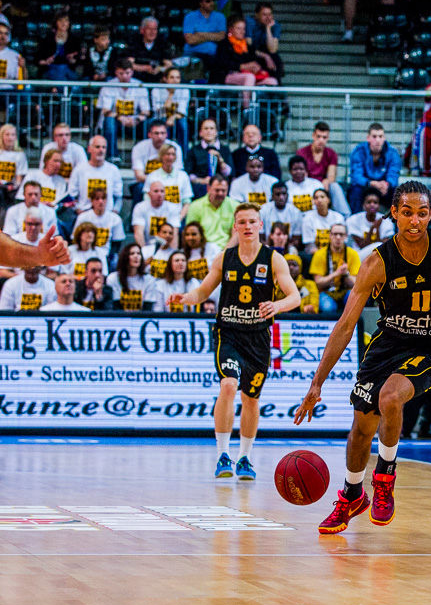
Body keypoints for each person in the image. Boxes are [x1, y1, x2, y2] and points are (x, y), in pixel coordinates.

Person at [295, 181, 431, 533]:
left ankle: (384, 479)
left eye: (423, 213)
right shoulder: (377, 262)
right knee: (361, 428)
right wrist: (317, 382)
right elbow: (344, 324)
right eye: (408, 213)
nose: (415, 221)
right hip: (388, 344)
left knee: (391, 397)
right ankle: (353, 493)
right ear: (394, 213)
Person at [174, 204, 300, 478]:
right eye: (241, 221)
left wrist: (277, 306)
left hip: (258, 336)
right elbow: (204, 290)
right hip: (228, 332)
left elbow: (295, 297)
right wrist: (186, 298)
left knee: (251, 397)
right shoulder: (224, 258)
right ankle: (222, 454)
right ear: (235, 227)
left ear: (260, 226)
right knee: (229, 385)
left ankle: (244, 457)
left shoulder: (274, 259)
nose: (246, 226)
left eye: (252, 221)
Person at [99, 58, 151, 162]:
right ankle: (112, 156)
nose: (124, 76)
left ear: (132, 72)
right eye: (121, 73)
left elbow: (146, 111)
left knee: (150, 123)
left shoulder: (139, 85)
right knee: (109, 121)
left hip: (135, 122)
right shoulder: (108, 86)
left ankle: (147, 156)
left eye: (127, 73)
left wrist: (137, 119)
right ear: (116, 73)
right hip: (116, 121)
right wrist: (120, 117)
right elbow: (105, 110)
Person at [216, 14, 278, 102]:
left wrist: (256, 67)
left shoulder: (248, 46)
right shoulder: (224, 44)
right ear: (230, 29)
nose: (242, 31)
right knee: (249, 77)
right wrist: (243, 66)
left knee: (272, 81)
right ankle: (247, 109)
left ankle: (269, 112)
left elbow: (254, 60)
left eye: (244, 28)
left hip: (250, 75)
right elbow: (223, 63)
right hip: (229, 75)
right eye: (239, 28)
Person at [296, 122, 349, 215]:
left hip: (324, 186)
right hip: (308, 184)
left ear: (328, 138)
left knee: (335, 186)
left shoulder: (331, 153)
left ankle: (345, 216)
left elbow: (332, 176)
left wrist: (327, 181)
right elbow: (302, 175)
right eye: (318, 136)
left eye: (324, 137)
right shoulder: (302, 152)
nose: (321, 140)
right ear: (313, 136)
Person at [348, 123, 401, 213]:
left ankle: (396, 225)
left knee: (398, 193)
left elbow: (394, 174)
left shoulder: (392, 153)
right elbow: (356, 176)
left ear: (384, 138)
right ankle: (355, 220)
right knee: (355, 190)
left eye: (380, 136)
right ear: (368, 138)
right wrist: (372, 183)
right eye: (374, 136)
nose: (378, 140)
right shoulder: (358, 151)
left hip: (384, 188)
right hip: (365, 187)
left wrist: (387, 184)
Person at [309, 223, 359, 312]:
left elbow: (357, 285)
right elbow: (318, 283)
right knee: (327, 308)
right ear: (330, 236)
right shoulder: (319, 254)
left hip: (345, 291)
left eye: (341, 234)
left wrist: (346, 274)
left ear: (346, 236)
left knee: (355, 300)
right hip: (326, 292)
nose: (338, 237)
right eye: (335, 234)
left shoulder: (353, 254)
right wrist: (336, 274)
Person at [68, 136, 123, 215]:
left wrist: (113, 214)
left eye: (103, 147)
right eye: (97, 147)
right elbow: (72, 196)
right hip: (84, 214)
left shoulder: (113, 170)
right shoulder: (79, 170)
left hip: (107, 214)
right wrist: (79, 211)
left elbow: (118, 198)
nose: (101, 150)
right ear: (89, 149)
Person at [73, 188, 126, 263]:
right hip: (85, 253)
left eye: (103, 198)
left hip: (106, 255)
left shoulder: (115, 219)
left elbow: (117, 242)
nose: (100, 201)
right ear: (92, 201)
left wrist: (108, 258)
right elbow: (75, 239)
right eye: (97, 199)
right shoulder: (83, 217)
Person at [183, 0, 227, 73]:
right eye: (208, 1)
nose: (212, 3)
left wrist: (200, 35)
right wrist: (213, 35)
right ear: (200, 2)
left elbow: (221, 36)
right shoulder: (190, 17)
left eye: (213, 0)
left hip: (214, 56)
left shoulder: (220, 17)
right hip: (194, 54)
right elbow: (190, 40)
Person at [187, 176, 238, 249]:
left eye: (223, 190)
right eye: (217, 190)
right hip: (203, 250)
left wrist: (224, 253)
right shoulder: (195, 206)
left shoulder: (235, 206)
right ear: (208, 189)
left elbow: (237, 235)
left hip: (227, 250)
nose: (220, 193)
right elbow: (191, 234)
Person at [151, 68, 191, 158]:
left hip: (176, 119)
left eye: (177, 77)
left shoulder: (184, 90)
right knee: (162, 122)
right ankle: (162, 155)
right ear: (165, 79)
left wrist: (172, 118)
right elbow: (158, 110)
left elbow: (182, 112)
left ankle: (184, 157)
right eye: (172, 77)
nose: (175, 80)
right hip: (160, 118)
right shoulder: (157, 90)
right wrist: (170, 95)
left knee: (183, 124)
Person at [131, 121, 184, 190]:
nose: (160, 136)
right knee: (139, 188)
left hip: (170, 182)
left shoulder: (175, 148)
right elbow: (139, 175)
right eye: (156, 133)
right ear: (149, 135)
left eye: (162, 133)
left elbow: (178, 172)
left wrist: (163, 184)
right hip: (146, 182)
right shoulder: (139, 148)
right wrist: (158, 184)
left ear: (166, 134)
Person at [186, 118, 232, 195]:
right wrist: (201, 180)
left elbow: (229, 173)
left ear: (216, 132)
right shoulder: (194, 150)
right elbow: (189, 174)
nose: (209, 131)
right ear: (200, 132)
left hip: (220, 188)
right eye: (206, 128)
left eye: (212, 128)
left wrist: (220, 159)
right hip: (201, 188)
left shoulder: (225, 149)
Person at [107, 243, 155, 311]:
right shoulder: (113, 278)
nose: (136, 256)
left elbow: (148, 308)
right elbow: (115, 306)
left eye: (138, 253)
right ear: (125, 256)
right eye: (132, 253)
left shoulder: (149, 280)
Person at [132, 181, 180, 247]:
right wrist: (144, 253)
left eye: (162, 191)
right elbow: (138, 233)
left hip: (166, 247)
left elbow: (174, 234)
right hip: (147, 246)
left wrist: (172, 253)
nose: (159, 194)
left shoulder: (173, 208)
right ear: (149, 194)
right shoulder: (140, 207)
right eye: (156, 191)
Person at [36, 11, 80, 82]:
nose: (63, 23)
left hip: (67, 71)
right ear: (56, 23)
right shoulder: (48, 39)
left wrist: (72, 60)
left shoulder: (74, 40)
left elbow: (77, 61)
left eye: (66, 21)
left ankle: (55, 89)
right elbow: (39, 59)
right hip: (50, 70)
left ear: (69, 23)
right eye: (60, 21)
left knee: (62, 68)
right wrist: (46, 61)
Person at [126, 16, 171, 84]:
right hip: (137, 79)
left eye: (155, 29)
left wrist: (159, 69)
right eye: (149, 29)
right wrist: (145, 68)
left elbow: (169, 65)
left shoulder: (163, 44)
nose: (152, 32)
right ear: (142, 30)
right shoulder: (133, 43)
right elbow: (129, 64)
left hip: (157, 79)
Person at [260, 182, 303, 249]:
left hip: (288, 248)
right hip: (267, 247)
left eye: (284, 194)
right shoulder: (263, 210)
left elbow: (296, 240)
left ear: (287, 195)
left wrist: (284, 249)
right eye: (278, 194)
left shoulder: (295, 212)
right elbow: (260, 238)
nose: (281, 197)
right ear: (272, 196)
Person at [301, 188, 345, 254]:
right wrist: (324, 255)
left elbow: (343, 241)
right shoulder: (307, 219)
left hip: (337, 252)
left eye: (322, 197)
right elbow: (310, 247)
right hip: (316, 254)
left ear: (328, 200)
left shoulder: (338, 217)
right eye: (316, 198)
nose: (319, 200)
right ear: (313, 202)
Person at [247, 2, 282, 82]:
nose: (268, 18)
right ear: (257, 15)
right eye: (264, 15)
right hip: (252, 52)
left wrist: (268, 29)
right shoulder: (250, 22)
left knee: (276, 59)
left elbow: (273, 49)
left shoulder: (275, 25)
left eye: (270, 14)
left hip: (266, 50)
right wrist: (265, 56)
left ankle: (276, 85)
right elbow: (248, 47)